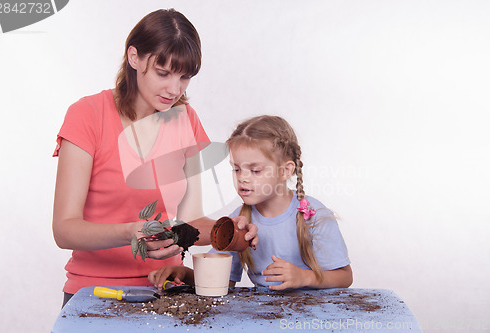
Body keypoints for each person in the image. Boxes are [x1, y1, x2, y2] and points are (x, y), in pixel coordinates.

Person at [52, 9, 257, 307]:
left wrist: (226, 230)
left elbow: (189, 221)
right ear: (134, 57)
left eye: (184, 77)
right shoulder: (87, 115)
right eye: (163, 73)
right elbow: (64, 229)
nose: (174, 90)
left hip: (166, 290)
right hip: (96, 293)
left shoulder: (185, 119)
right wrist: (129, 232)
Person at [149, 115, 352, 290]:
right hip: (265, 318)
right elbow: (221, 281)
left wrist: (303, 277)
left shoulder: (313, 215)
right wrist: (184, 274)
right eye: (236, 169)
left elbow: (344, 277)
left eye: (255, 170)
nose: (243, 178)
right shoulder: (239, 223)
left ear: (285, 171)